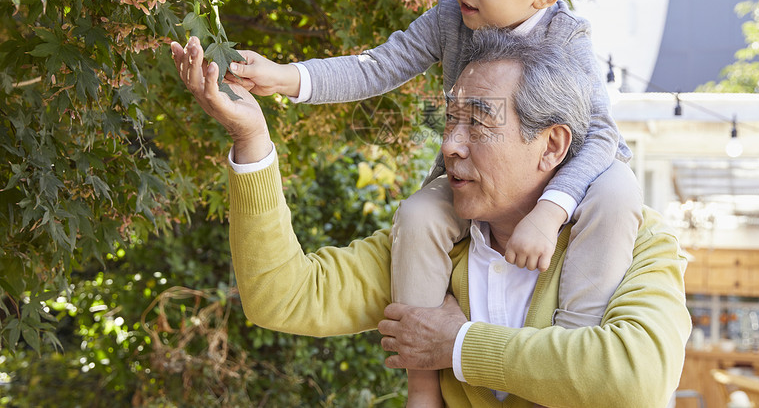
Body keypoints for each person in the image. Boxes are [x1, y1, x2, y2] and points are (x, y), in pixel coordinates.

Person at [226, 0, 642, 405]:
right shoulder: (451, 19)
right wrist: (284, 78)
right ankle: (421, 389)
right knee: (419, 215)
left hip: (576, 182)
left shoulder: (567, 39)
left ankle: (565, 355)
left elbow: (601, 138)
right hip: (484, 183)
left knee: (617, 191)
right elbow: (377, 66)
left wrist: (551, 210)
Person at [170, 28, 691, 408]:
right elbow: (283, 299)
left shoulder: (636, 241)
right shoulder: (435, 241)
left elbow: (633, 379)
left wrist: (458, 345)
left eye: (477, 123)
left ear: (551, 145)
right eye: (448, 121)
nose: (449, 146)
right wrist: (252, 139)